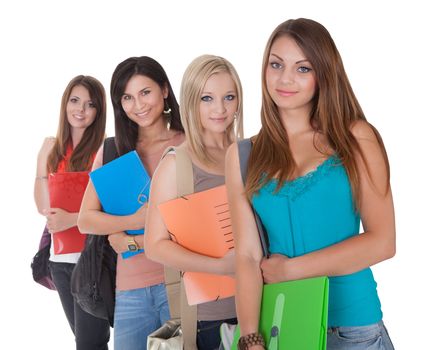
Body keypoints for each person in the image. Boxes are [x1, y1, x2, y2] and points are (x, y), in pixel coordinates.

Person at [225, 18, 396, 350]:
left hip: (354, 330)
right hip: (281, 327)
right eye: (276, 64)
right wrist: (249, 337)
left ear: (323, 75)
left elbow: (383, 242)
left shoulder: (356, 138)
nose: (285, 78)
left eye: (302, 69)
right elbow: (246, 255)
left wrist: (290, 270)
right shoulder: (243, 155)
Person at [77, 56, 184, 350]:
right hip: (130, 293)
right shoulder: (114, 150)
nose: (138, 105)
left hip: (180, 285)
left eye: (145, 92)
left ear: (164, 90)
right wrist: (135, 221)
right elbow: (86, 219)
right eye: (127, 97)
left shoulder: (188, 144)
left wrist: (134, 240)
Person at [145, 54, 244, 350]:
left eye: (229, 97)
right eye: (207, 98)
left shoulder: (249, 152)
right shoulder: (177, 164)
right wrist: (219, 266)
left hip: (263, 302)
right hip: (210, 317)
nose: (220, 109)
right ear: (190, 101)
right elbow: (155, 245)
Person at [34, 75, 109, 349]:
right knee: (85, 341)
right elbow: (44, 208)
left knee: (91, 342)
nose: (80, 110)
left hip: (90, 259)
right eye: (75, 101)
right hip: (59, 260)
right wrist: (42, 162)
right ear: (65, 103)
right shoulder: (54, 150)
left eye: (90, 105)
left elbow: (110, 209)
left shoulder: (103, 151)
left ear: (98, 112)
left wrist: (71, 219)